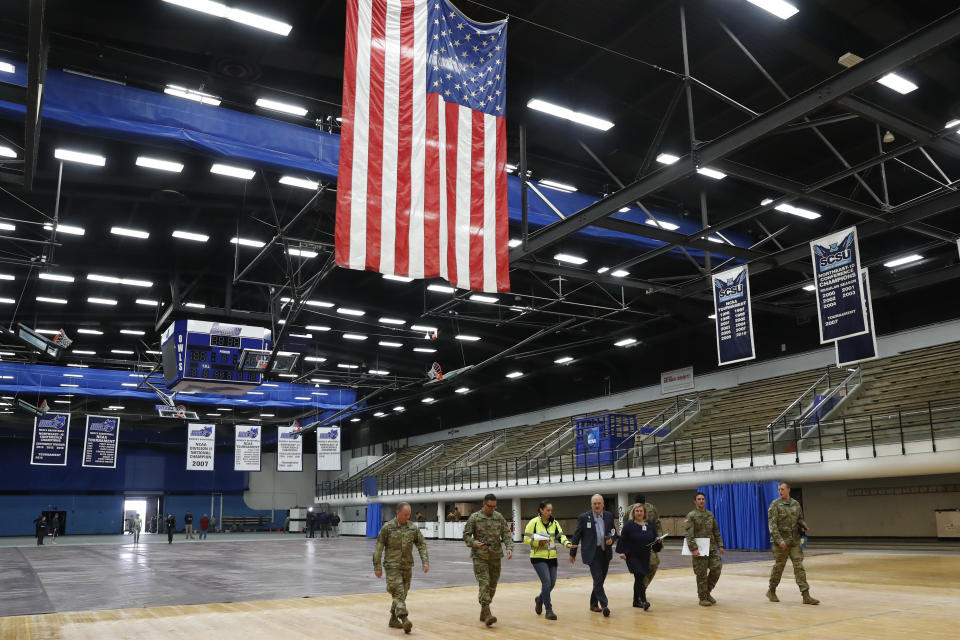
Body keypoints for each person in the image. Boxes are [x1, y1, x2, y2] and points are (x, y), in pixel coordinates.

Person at [373, 502, 429, 634]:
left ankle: (393, 618)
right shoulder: (388, 528)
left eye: (409, 514)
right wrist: (377, 566)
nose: (407, 517)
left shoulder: (412, 528)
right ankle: (404, 619)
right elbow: (378, 547)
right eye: (405, 514)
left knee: (402, 594)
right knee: (398, 592)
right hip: (392, 566)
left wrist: (425, 561)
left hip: (407, 566)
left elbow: (421, 544)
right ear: (397, 512)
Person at [463, 493, 514, 626]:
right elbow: (466, 535)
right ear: (484, 504)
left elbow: (506, 533)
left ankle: (483, 612)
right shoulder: (475, 518)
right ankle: (488, 612)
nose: (492, 509)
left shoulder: (499, 517)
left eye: (494, 506)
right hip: (480, 556)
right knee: (484, 584)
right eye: (490, 506)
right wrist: (474, 543)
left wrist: (509, 547)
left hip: (495, 555)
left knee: (492, 586)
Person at [767, 481, 819, 605]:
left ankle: (806, 596)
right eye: (779, 489)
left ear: (788, 490)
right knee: (779, 567)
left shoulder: (796, 504)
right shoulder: (775, 504)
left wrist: (804, 526)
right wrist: (779, 540)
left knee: (799, 567)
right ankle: (771, 590)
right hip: (781, 543)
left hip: (795, 541)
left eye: (782, 489)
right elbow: (772, 525)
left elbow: (800, 519)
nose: (780, 491)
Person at [569, 494, 618, 617]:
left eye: (599, 503)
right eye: (594, 503)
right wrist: (572, 553)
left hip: (605, 552)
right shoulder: (584, 518)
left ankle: (593, 604)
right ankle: (605, 605)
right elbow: (576, 536)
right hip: (592, 552)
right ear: (591, 505)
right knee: (598, 578)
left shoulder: (608, 516)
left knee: (600, 580)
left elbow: (613, 532)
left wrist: (612, 539)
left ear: (603, 504)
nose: (597, 505)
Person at [523, 501, 572, 621]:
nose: (550, 512)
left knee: (552, 583)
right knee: (546, 582)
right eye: (548, 510)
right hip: (538, 557)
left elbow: (561, 536)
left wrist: (567, 543)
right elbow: (526, 539)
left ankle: (539, 599)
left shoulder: (554, 523)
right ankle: (549, 610)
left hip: (552, 557)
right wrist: (538, 543)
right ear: (541, 510)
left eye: (551, 510)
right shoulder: (533, 522)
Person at [617, 504, 663, 610]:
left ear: (644, 513)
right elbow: (622, 539)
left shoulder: (650, 525)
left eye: (641, 511)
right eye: (637, 511)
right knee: (639, 575)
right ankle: (644, 601)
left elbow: (654, 538)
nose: (639, 512)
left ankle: (635, 601)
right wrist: (622, 552)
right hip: (632, 554)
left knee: (639, 578)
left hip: (645, 554)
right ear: (634, 513)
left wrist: (658, 541)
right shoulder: (629, 525)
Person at [685, 492, 724, 606]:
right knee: (701, 574)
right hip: (699, 548)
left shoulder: (710, 514)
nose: (701, 501)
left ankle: (707, 592)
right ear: (695, 501)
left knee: (717, 568)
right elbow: (689, 534)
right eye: (699, 499)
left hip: (711, 547)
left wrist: (720, 545)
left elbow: (716, 531)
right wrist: (693, 549)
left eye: (703, 499)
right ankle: (703, 598)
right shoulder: (691, 515)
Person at [624, 495, 661, 588]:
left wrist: (659, 537)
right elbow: (625, 525)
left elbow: (657, 523)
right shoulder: (629, 510)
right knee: (639, 568)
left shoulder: (652, 509)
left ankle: (643, 587)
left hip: (650, 541)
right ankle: (640, 592)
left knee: (654, 563)